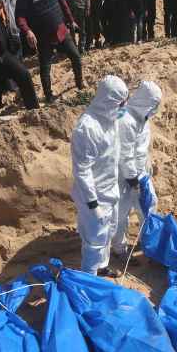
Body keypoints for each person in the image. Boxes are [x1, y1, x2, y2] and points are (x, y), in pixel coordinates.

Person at [71, 75, 129, 276]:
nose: (124, 107)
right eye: (121, 103)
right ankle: (90, 279)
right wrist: (93, 204)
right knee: (94, 242)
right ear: (110, 102)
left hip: (109, 191)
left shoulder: (110, 117)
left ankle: (102, 268)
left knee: (107, 233)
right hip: (94, 197)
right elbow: (82, 170)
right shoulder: (87, 127)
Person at [15, 0, 84, 103]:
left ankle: (80, 83)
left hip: (60, 29)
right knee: (45, 67)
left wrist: (70, 20)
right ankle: (48, 95)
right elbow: (20, 16)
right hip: (42, 35)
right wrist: (28, 31)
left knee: (76, 56)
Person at [113, 80, 162, 258]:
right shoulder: (124, 120)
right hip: (122, 177)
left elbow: (141, 149)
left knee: (150, 205)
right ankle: (120, 250)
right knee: (121, 213)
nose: (155, 108)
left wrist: (146, 171)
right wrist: (133, 180)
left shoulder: (142, 117)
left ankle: (147, 242)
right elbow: (125, 154)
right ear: (145, 101)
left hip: (140, 174)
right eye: (154, 104)